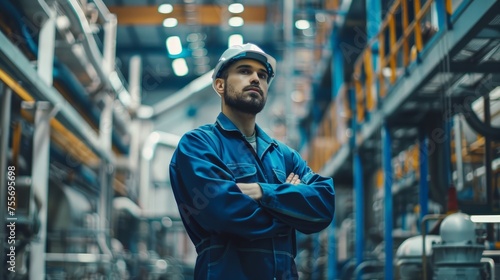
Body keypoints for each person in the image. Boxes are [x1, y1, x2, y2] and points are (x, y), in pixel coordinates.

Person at [169, 43, 335, 280]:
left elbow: (324, 206)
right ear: (220, 85)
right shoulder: (198, 145)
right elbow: (224, 213)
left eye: (263, 75)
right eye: (245, 71)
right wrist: (290, 208)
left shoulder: (284, 155)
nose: (256, 79)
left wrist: (261, 192)